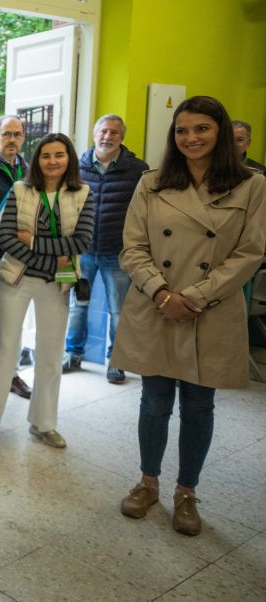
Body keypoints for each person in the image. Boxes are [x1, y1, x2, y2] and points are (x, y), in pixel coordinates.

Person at [114, 96, 265, 536]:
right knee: (154, 401)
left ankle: (186, 492)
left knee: (199, 405)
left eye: (201, 129)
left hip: (211, 309)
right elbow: (133, 247)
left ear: (219, 133)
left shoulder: (250, 185)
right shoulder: (153, 183)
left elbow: (250, 253)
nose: (191, 138)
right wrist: (162, 293)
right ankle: (147, 482)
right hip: (156, 304)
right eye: (182, 130)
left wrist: (195, 296)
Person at [0, 133, 93, 450]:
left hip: (58, 282)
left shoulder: (83, 193)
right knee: (4, 347)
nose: (53, 161)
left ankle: (43, 423)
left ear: (69, 158)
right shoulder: (20, 190)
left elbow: (81, 240)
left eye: (60, 155)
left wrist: (35, 243)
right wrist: (51, 252)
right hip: (18, 279)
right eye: (46, 155)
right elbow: (8, 239)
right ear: (37, 160)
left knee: (52, 355)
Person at [61, 115, 149, 383]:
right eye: (103, 131)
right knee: (78, 305)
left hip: (117, 252)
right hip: (82, 251)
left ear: (122, 137)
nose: (107, 137)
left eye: (113, 132)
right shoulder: (76, 166)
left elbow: (145, 211)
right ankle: (73, 353)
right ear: (94, 133)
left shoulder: (137, 169)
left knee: (118, 310)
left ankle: (116, 361)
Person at [0, 115, 34, 399]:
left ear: (23, 138)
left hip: (23, 260)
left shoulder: (31, 173)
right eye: (7, 134)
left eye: (17, 134)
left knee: (16, 321)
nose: (12, 139)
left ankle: (11, 374)